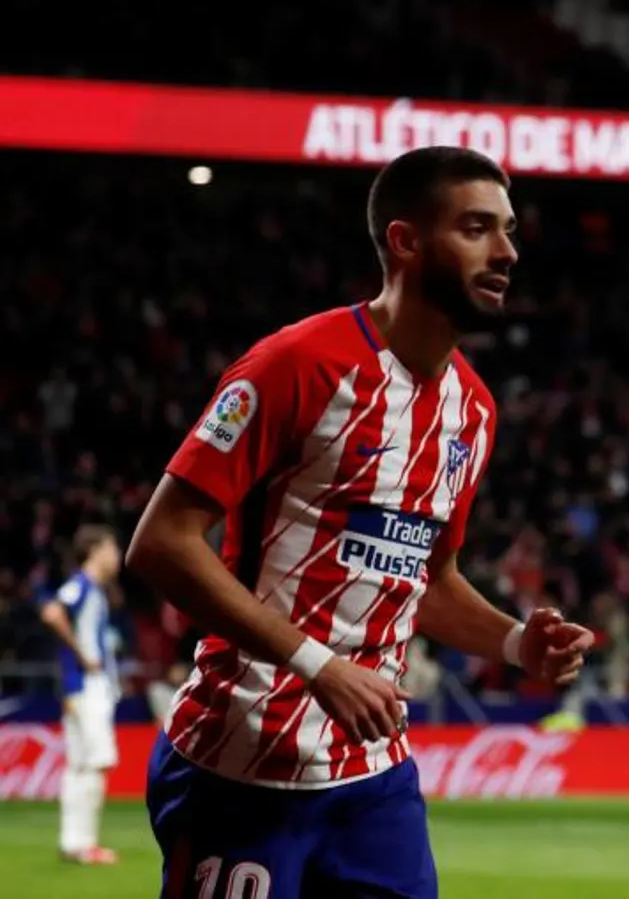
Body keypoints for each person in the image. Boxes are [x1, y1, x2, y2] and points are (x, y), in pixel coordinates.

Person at [126, 146, 595, 899]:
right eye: (478, 228)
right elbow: (162, 542)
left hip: (374, 778)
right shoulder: (294, 365)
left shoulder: (472, 410)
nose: (507, 252)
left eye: (508, 231)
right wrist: (318, 664)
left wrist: (514, 641)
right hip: (244, 761)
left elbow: (424, 579)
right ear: (406, 241)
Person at [38, 524, 124, 865]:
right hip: (87, 688)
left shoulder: (96, 589)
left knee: (77, 766)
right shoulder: (83, 584)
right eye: (112, 548)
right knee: (96, 763)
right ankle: (86, 844)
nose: (116, 556)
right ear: (96, 551)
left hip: (78, 689)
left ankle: (72, 843)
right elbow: (52, 612)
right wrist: (83, 656)